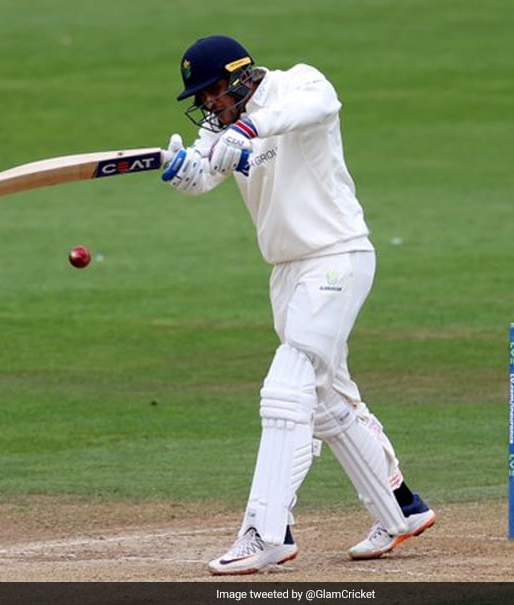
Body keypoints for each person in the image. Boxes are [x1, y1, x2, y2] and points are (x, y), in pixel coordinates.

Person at [160, 34, 436, 575]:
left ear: (240, 77)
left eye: (214, 90)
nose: (208, 103)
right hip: (287, 271)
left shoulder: (299, 83)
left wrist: (246, 129)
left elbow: (319, 106)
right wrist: (184, 171)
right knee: (326, 400)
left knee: (286, 389)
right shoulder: (220, 127)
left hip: (336, 256)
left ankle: (266, 534)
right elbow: (203, 176)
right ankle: (401, 509)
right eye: (202, 96)